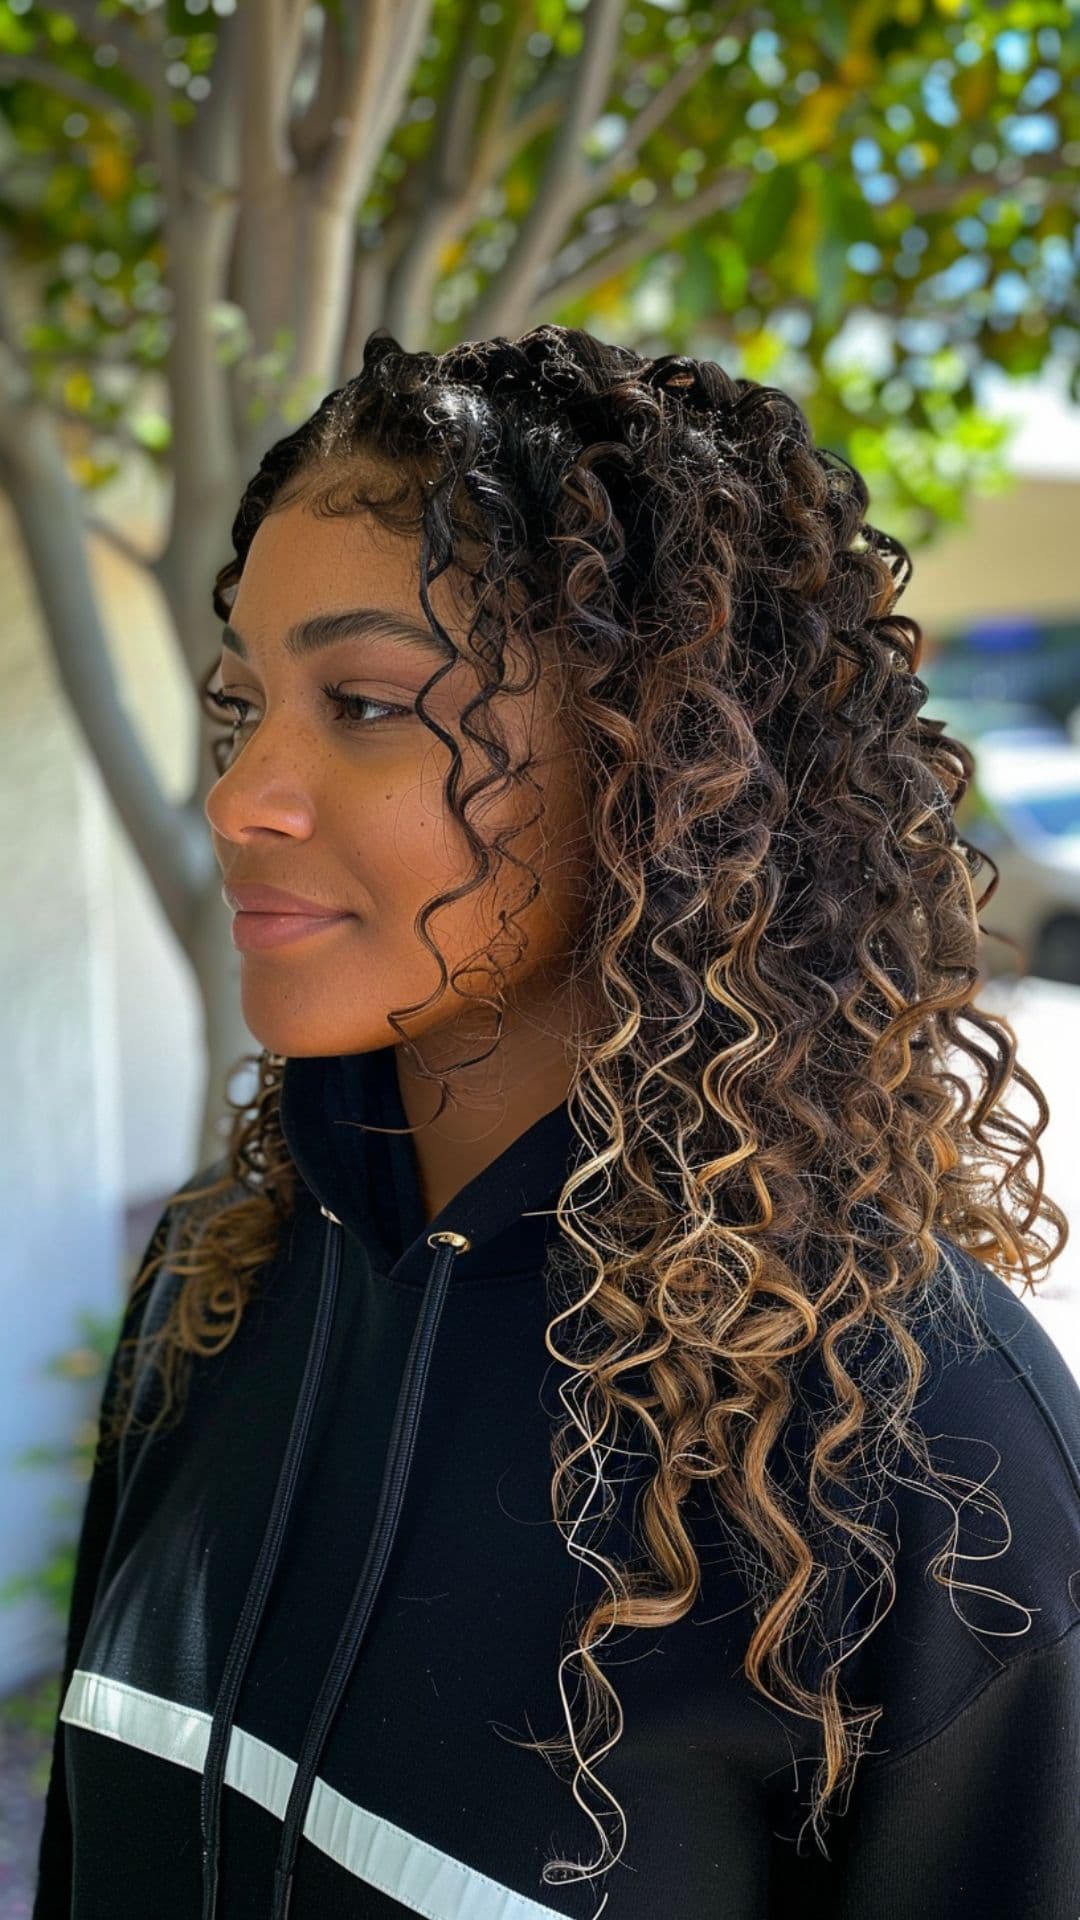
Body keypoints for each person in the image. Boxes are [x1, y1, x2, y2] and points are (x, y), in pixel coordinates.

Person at [33, 324, 1080, 1920]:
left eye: (370, 702)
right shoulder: (216, 1285)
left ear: (658, 764)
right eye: (244, 704)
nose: (240, 796)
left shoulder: (923, 1456)